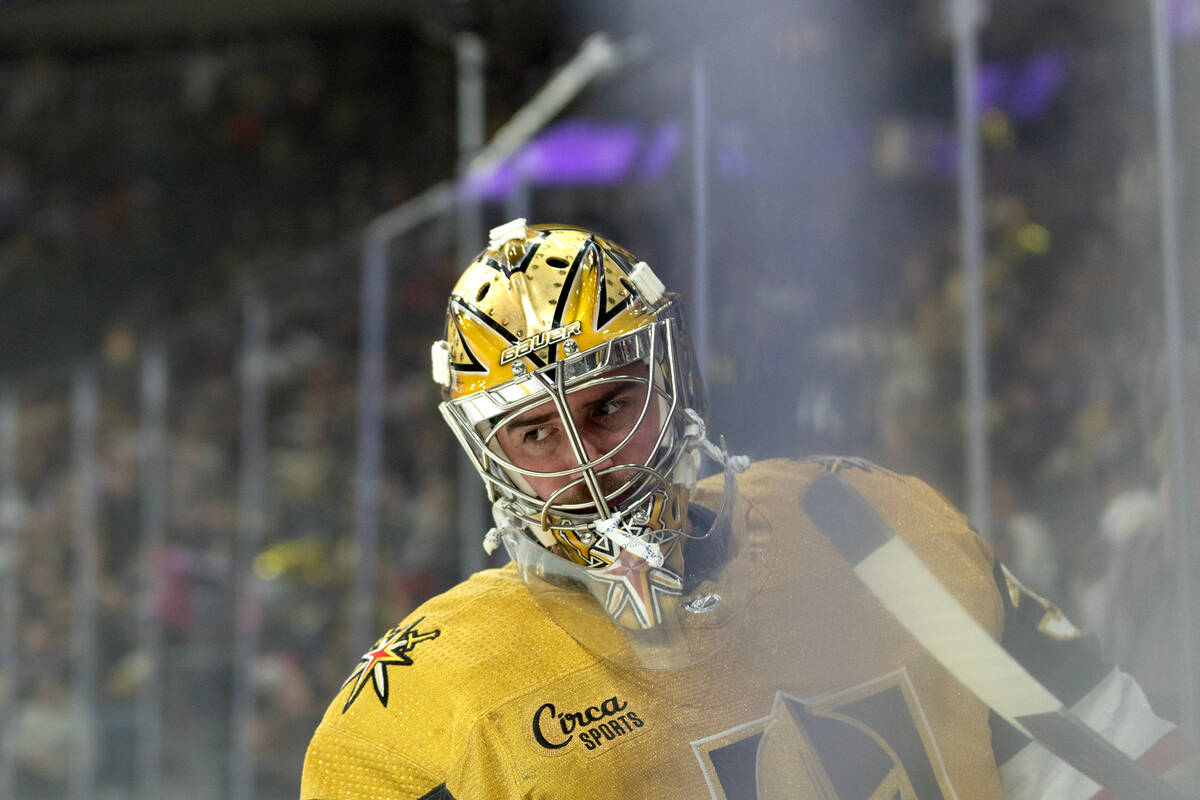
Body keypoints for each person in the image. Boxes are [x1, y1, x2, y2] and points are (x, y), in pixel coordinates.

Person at [301, 221, 1195, 799]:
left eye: (608, 405)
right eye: (535, 433)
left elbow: (1115, 764)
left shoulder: (869, 522)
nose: (587, 461)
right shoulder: (431, 701)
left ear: (669, 379)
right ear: (484, 450)